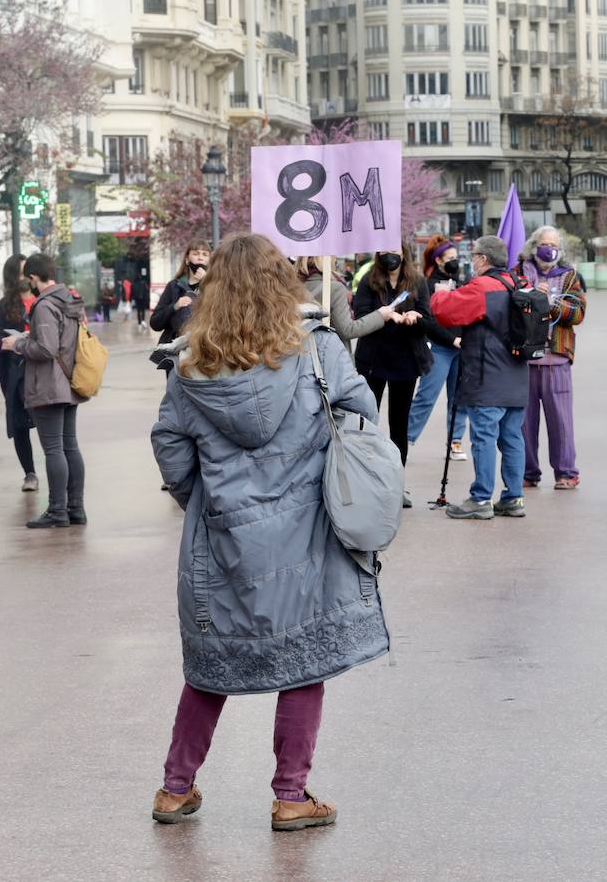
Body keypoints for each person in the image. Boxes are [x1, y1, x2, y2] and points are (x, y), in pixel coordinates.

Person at [148, 233, 388, 831]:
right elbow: (361, 412)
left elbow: (171, 451)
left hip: (222, 534)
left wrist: (201, 501)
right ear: (282, 282)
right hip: (306, 528)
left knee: (211, 664)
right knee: (305, 659)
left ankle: (176, 788)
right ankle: (291, 795)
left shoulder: (187, 365)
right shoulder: (317, 350)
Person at [429, 235, 531, 520]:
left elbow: (446, 313)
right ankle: (514, 498)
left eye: (473, 255)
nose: (471, 260)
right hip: (517, 375)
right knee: (512, 437)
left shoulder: (484, 287)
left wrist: (440, 292)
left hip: (488, 375)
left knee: (484, 436)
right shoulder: (518, 283)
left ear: (484, 259)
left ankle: (481, 498)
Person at [1, 253, 88, 529]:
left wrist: (17, 343)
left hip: (49, 385)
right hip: (69, 382)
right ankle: (76, 508)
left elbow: (47, 349)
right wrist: (31, 337)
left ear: (34, 278)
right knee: (69, 446)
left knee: (54, 450)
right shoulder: (69, 301)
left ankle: (57, 510)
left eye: (30, 279)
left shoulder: (44, 305)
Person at [514, 225, 587, 490]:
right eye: (545, 244)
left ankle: (567, 472)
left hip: (557, 357)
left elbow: (578, 313)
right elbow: (510, 305)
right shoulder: (519, 272)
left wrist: (553, 303)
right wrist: (531, 297)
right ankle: (527, 472)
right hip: (525, 360)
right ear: (534, 246)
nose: (550, 249)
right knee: (523, 422)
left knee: (561, 422)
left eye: (554, 244)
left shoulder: (569, 276)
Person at [352, 250, 430, 487]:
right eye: (385, 250)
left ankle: (396, 483)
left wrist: (415, 316)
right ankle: (367, 480)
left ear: (403, 252)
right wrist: (384, 316)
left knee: (399, 423)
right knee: (367, 420)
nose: (390, 255)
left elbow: (427, 317)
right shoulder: (369, 280)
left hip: (406, 360)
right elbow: (360, 315)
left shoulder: (417, 281)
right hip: (373, 360)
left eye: (394, 249)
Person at [407, 237, 471, 461]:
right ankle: (405, 438)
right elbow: (429, 320)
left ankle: (455, 441)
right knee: (427, 395)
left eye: (457, 258)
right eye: (450, 258)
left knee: (459, 398)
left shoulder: (462, 282)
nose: (455, 262)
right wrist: (451, 339)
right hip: (439, 348)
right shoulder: (428, 283)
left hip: (462, 349)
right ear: (439, 260)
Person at [0, 253, 38, 493]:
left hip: (42, 370)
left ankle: (57, 468)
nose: (26, 275)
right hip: (15, 372)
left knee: (48, 421)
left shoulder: (43, 299)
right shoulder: (3, 307)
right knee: (20, 423)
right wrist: (9, 342)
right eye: (21, 271)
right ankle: (29, 473)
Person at [297, 256, 393, 350]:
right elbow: (347, 330)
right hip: (331, 356)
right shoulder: (334, 288)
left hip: (303, 353)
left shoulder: (294, 288)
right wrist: (380, 315)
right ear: (327, 260)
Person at [151, 242, 209, 346]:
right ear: (187, 260)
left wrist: (207, 283)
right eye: (196, 254)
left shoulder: (216, 287)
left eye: (205, 254)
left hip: (204, 348)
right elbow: (155, 323)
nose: (200, 258)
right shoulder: (174, 286)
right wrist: (175, 306)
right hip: (178, 351)